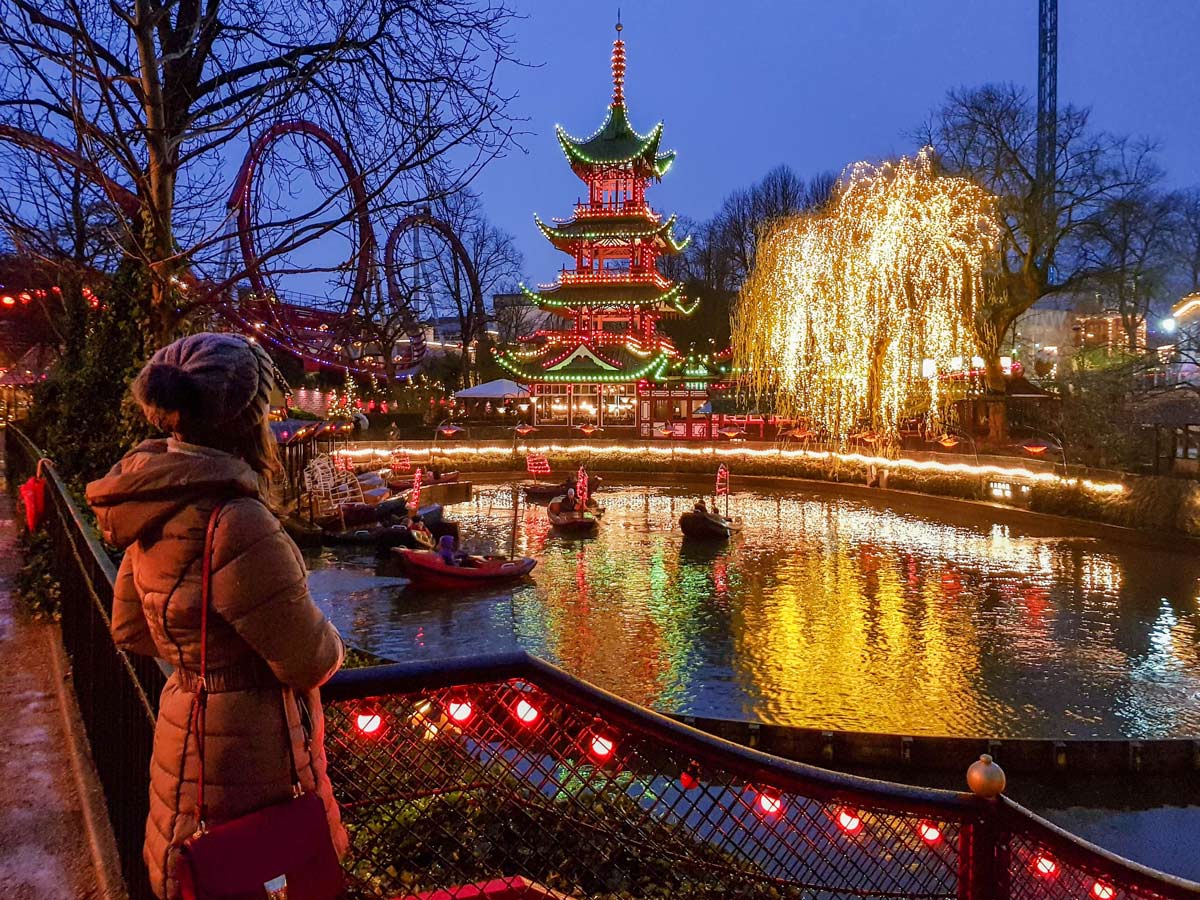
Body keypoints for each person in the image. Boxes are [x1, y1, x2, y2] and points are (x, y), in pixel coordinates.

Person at [85, 333, 347, 900]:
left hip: (182, 726)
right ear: (246, 420)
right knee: (258, 870)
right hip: (249, 755)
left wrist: (195, 650)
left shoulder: (156, 501)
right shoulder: (238, 520)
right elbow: (311, 658)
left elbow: (129, 628)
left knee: (194, 875)